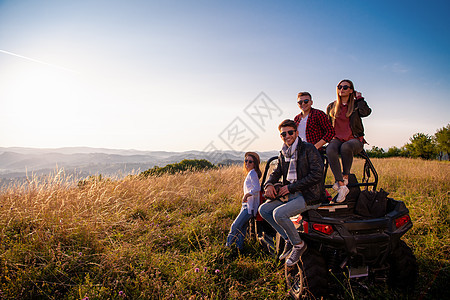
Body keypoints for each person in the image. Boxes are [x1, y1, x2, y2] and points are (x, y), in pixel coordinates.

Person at [259, 119, 325, 266]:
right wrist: (269, 184)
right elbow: (277, 172)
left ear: (296, 132)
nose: (287, 136)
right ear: (280, 136)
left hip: (310, 196)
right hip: (292, 195)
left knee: (279, 214)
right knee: (263, 209)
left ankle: (299, 244)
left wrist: (290, 188)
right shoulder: (283, 152)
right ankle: (288, 238)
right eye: (283, 134)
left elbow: (317, 174)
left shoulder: (308, 149)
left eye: (290, 132)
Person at [326, 79, 372, 203]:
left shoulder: (356, 105)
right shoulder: (332, 106)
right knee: (330, 149)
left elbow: (366, 112)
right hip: (337, 138)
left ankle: (345, 176)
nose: (342, 89)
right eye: (339, 87)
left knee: (346, 147)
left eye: (345, 87)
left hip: (355, 139)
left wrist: (360, 99)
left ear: (351, 90)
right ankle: (341, 184)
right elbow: (327, 126)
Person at [226, 152, 262, 251]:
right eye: (246, 160)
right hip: (246, 205)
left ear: (255, 163)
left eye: (250, 161)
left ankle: (227, 248)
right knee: (242, 228)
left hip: (249, 207)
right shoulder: (250, 173)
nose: (247, 163)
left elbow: (257, 188)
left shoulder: (253, 173)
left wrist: (247, 194)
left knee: (235, 226)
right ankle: (239, 249)